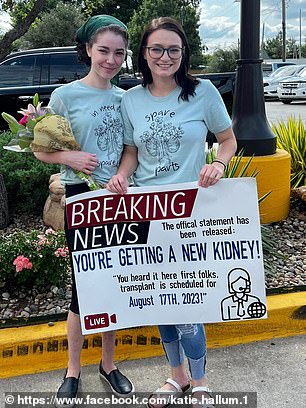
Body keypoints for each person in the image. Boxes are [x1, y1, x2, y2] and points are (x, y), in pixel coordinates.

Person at [106, 17, 237, 408]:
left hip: (193, 209)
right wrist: (121, 176)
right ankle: (176, 376)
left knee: (188, 301)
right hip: (147, 211)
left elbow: (227, 140)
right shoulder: (131, 99)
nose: (166, 57)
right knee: (161, 298)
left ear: (184, 54)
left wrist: (219, 164)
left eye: (174, 50)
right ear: (144, 54)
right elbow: (131, 151)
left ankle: (199, 381)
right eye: (157, 49)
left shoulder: (203, 92)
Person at [34, 15, 134, 408]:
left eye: (118, 53)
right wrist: (68, 156)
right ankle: (72, 368)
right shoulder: (65, 96)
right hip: (80, 198)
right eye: (104, 50)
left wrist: (122, 176)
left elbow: (130, 148)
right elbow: (40, 149)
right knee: (83, 287)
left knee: (114, 285)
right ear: (89, 50)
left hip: (119, 198)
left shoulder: (126, 99)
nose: (111, 59)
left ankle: (108, 365)